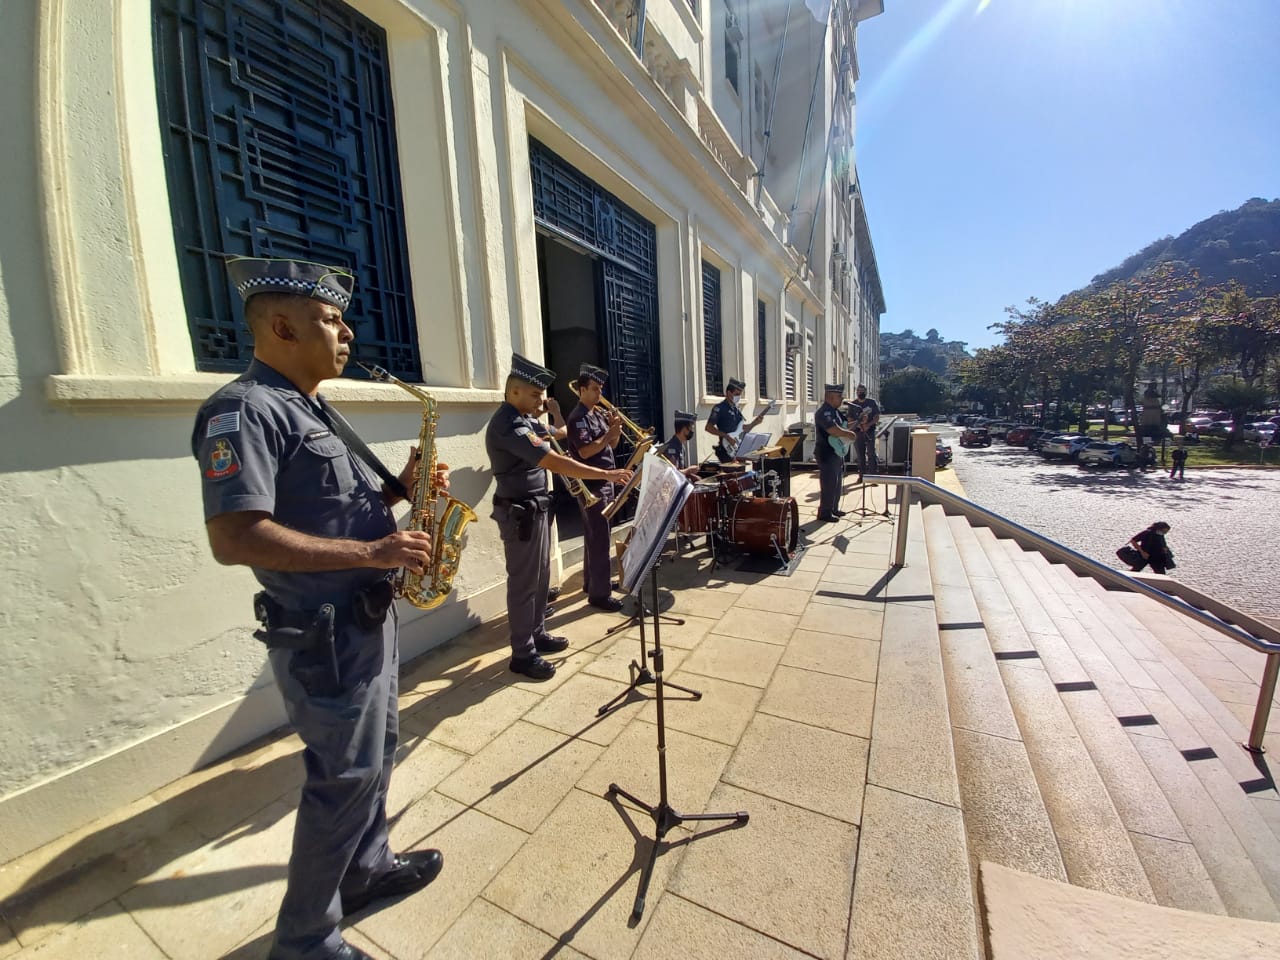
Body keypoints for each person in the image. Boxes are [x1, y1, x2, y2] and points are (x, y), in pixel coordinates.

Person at [192, 257, 444, 960]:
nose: (348, 333)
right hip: (325, 636)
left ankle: (366, 870)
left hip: (365, 618)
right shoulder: (242, 411)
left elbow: (330, 512)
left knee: (375, 758)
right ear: (281, 327)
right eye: (331, 320)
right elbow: (236, 537)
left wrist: (399, 491)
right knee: (343, 778)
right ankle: (305, 940)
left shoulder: (308, 406)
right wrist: (375, 552)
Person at [485, 354, 632, 681]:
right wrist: (604, 474)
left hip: (535, 507)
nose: (541, 400)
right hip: (520, 512)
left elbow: (560, 433)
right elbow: (554, 460)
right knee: (524, 582)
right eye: (535, 395)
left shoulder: (526, 420)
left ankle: (537, 633)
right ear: (514, 392)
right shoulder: (509, 425)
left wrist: (554, 414)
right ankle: (522, 654)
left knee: (540, 577)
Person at [566, 364, 627, 613]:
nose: (599, 394)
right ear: (582, 390)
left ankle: (592, 583)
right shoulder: (577, 418)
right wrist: (608, 434)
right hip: (592, 483)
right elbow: (585, 451)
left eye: (600, 389)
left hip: (605, 481)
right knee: (600, 538)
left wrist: (615, 430)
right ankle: (600, 595)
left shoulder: (597, 414)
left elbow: (611, 445)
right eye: (594, 389)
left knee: (595, 535)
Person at [814, 383, 859, 522]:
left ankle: (834, 508)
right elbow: (832, 429)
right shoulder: (824, 412)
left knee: (836, 483)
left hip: (836, 451)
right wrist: (848, 434)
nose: (842, 399)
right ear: (830, 397)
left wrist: (858, 422)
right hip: (826, 452)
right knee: (828, 484)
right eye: (839, 396)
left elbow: (844, 426)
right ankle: (824, 513)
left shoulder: (836, 411)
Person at [705, 377, 767, 462]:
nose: (738, 397)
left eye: (740, 394)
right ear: (728, 393)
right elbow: (708, 427)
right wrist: (726, 436)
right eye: (736, 394)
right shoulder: (719, 408)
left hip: (738, 448)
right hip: (726, 449)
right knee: (731, 470)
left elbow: (742, 429)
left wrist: (755, 423)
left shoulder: (736, 409)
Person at [846, 384, 881, 479]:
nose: (861, 392)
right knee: (860, 455)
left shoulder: (872, 402)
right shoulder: (853, 404)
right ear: (856, 392)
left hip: (870, 431)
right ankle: (862, 476)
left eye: (863, 391)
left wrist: (868, 425)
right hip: (858, 432)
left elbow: (877, 417)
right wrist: (859, 425)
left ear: (866, 392)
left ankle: (873, 477)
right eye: (859, 391)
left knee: (871, 453)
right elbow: (849, 419)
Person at [661, 409, 704, 478]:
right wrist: (689, 470)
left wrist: (693, 476)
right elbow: (673, 473)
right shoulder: (671, 448)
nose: (692, 431)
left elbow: (682, 471)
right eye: (691, 428)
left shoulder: (681, 446)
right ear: (684, 429)